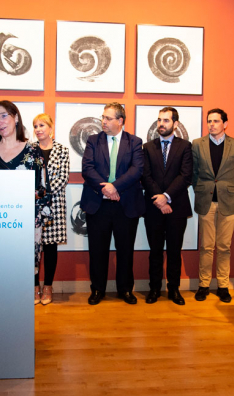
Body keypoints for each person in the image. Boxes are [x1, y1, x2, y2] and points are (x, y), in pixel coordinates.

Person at [0, 101, 52, 290]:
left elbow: (43, 190)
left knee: (19, 282)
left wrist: (22, 193)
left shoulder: (32, 151)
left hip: (22, 225)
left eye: (3, 116)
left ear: (15, 117)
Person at [81, 102, 145, 305]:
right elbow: (87, 169)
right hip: (98, 203)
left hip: (125, 204)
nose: (103, 121)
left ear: (120, 121)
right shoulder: (93, 140)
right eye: (103, 117)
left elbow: (137, 170)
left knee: (125, 250)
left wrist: (115, 187)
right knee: (97, 250)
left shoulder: (135, 142)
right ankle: (97, 289)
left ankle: (125, 289)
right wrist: (105, 189)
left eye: (108, 118)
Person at [142, 107, 192, 305]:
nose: (161, 124)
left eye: (166, 120)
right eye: (159, 120)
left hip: (176, 208)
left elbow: (185, 176)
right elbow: (145, 176)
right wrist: (159, 200)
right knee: (154, 251)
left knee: (174, 251)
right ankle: (154, 289)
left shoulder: (185, 146)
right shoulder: (147, 147)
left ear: (175, 124)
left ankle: (174, 290)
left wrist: (167, 196)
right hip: (154, 208)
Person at [192, 108, 234, 303]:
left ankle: (223, 285)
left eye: (216, 121)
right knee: (206, 246)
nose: (211, 124)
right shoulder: (197, 144)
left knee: (224, 247)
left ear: (225, 124)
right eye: (209, 121)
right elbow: (193, 173)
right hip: (205, 201)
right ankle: (204, 285)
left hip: (229, 202)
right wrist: (199, 188)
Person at [31, 113, 69, 305]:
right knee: (32, 249)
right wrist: (35, 194)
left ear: (51, 128)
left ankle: (48, 286)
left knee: (50, 247)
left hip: (53, 206)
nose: (38, 129)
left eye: (42, 125)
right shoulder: (29, 150)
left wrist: (40, 191)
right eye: (35, 126)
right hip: (32, 206)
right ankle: (34, 287)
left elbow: (62, 179)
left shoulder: (62, 150)